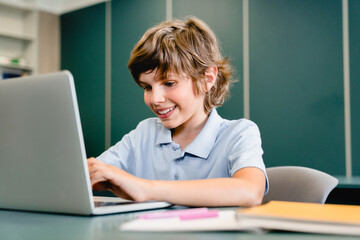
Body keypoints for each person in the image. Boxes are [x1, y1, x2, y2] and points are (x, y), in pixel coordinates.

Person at [87, 16, 268, 207]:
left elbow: (250, 192)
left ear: (207, 79)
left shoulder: (239, 133)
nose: (155, 99)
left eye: (169, 83)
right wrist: (92, 173)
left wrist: (145, 189)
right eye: (147, 87)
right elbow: (91, 174)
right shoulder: (144, 133)